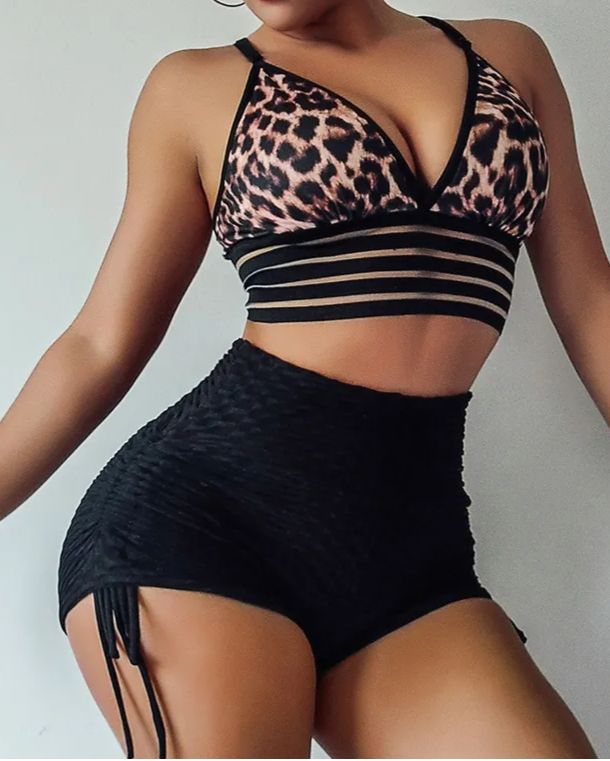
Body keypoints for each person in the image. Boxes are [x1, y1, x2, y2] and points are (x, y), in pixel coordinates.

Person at [1, 0, 607, 757]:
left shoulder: (511, 57)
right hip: (200, 528)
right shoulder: (194, 87)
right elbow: (99, 343)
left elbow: (592, 305)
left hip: (410, 549)